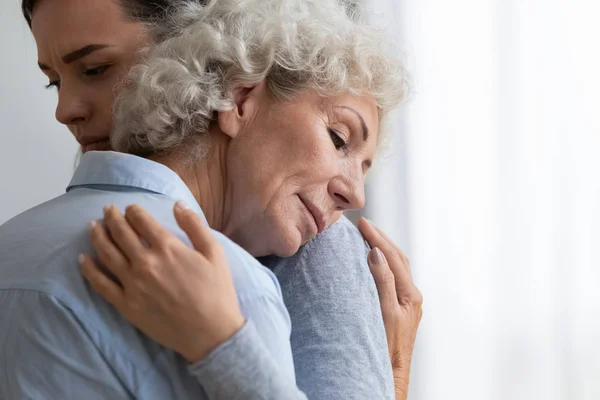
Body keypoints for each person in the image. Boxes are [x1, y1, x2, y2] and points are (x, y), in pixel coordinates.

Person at [2, 0, 422, 398]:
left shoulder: (17, 242)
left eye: (94, 68)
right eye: (338, 138)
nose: (64, 109)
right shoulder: (235, 284)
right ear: (238, 97)